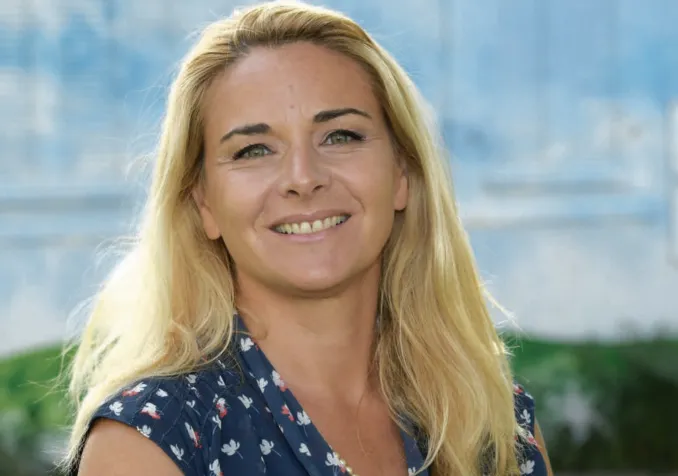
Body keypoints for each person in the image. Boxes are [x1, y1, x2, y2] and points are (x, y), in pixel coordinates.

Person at [65, 2, 553, 475]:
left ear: (401, 173)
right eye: (254, 150)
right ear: (204, 203)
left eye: (340, 136)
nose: (303, 177)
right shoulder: (152, 442)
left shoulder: (490, 420)